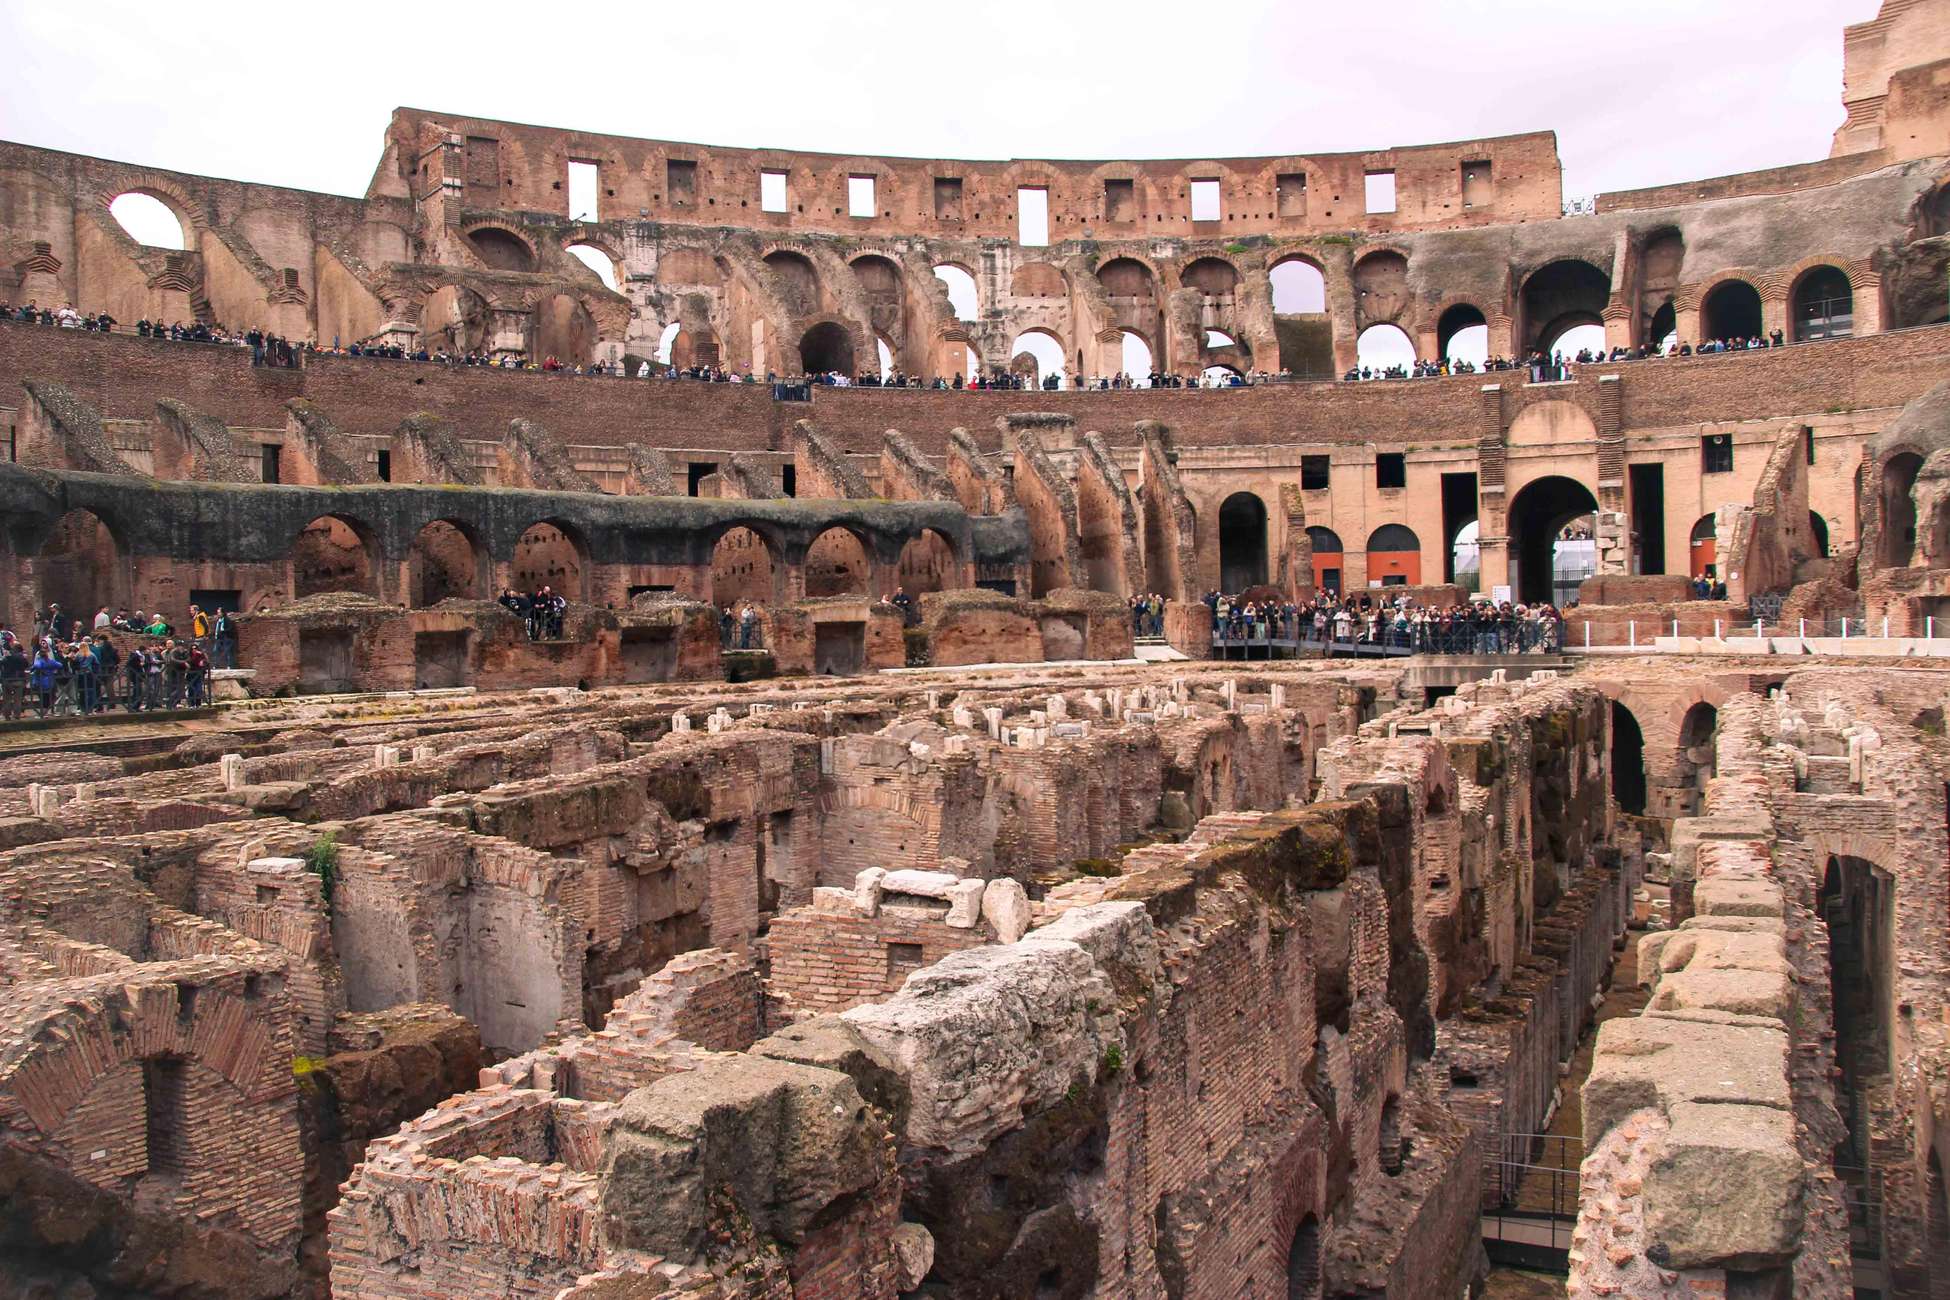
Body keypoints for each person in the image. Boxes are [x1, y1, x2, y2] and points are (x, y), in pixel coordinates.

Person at [29, 644, 59, 717]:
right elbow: (59, 665)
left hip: (40, 681)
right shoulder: (51, 661)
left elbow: (36, 666)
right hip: (50, 681)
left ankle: (43, 714)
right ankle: (48, 712)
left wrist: (34, 668)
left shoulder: (39, 661)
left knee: (43, 698)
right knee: (49, 697)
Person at [0, 637, 26, 720]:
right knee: (17, 699)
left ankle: (7, 715)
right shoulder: (21, 657)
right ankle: (17, 715)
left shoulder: (6, 657)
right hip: (18, 679)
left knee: (7, 699)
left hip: (7, 679)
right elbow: (26, 664)